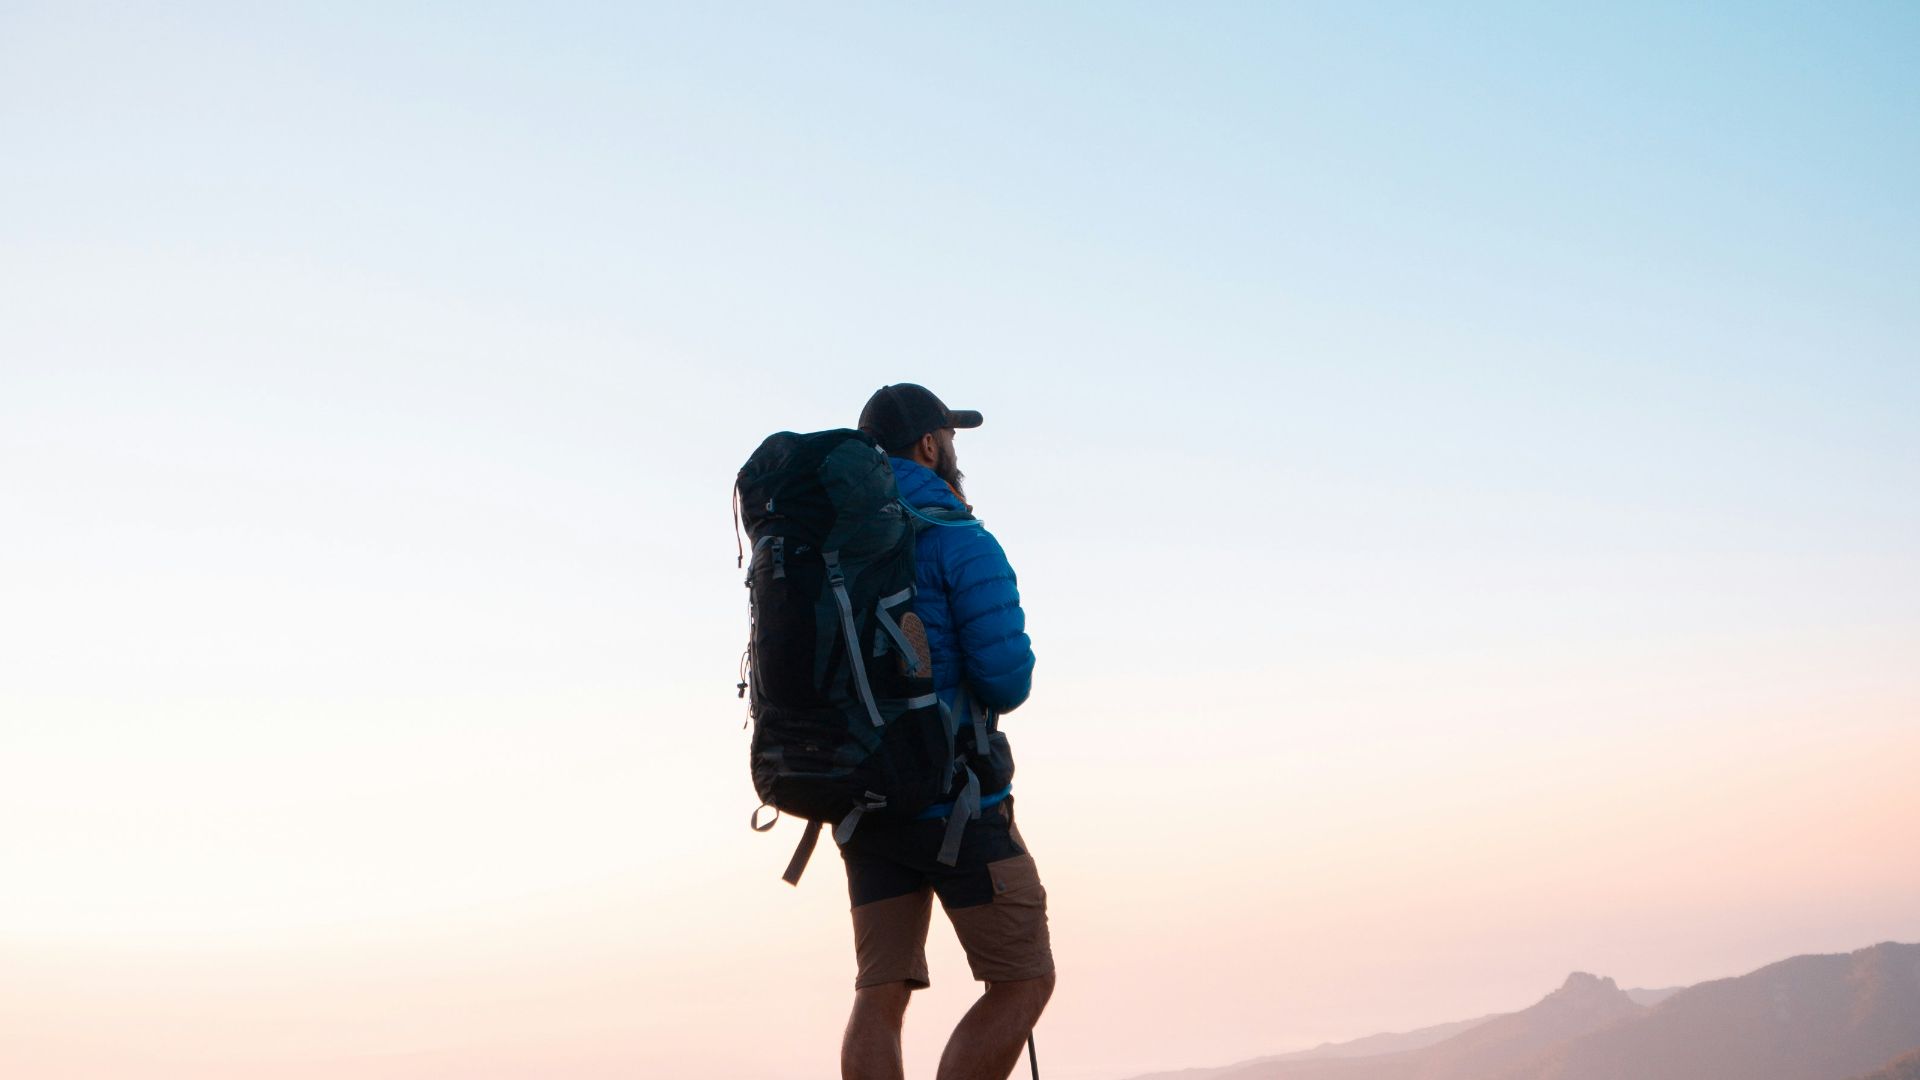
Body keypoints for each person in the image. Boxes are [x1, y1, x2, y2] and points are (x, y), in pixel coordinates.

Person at [839, 383, 1054, 1080]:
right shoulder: (957, 538)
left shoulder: (835, 546)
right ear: (930, 445)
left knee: (881, 991)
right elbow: (1005, 681)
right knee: (1023, 978)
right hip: (956, 799)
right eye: (950, 438)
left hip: (863, 803)